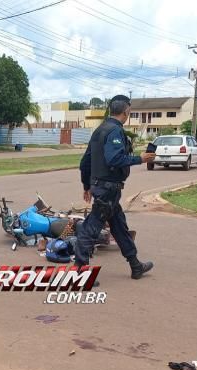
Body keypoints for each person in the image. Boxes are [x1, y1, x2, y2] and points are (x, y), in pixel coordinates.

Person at [74, 95, 155, 280]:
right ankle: (79, 271)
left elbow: (85, 162)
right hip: (107, 190)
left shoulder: (100, 130)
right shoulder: (115, 131)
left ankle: (136, 265)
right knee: (90, 228)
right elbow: (114, 159)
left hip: (103, 188)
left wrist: (86, 185)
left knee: (119, 227)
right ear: (126, 112)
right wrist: (139, 159)